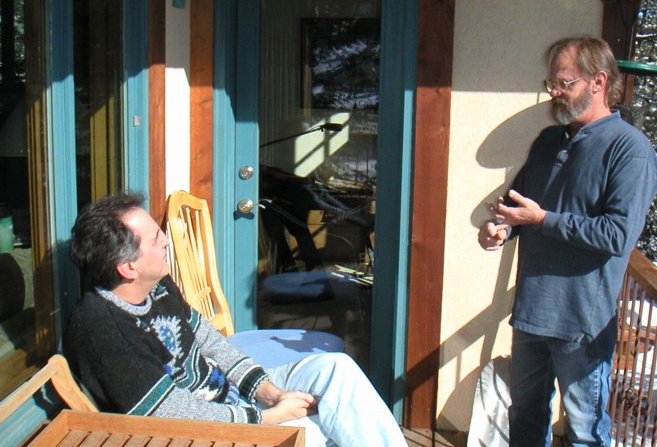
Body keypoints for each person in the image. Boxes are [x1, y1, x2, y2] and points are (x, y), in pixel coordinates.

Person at [63, 191, 407, 447]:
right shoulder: (103, 330)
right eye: (156, 239)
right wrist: (266, 417)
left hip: (229, 398)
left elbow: (209, 341)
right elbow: (170, 414)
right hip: (203, 432)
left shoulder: (156, 286)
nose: (166, 240)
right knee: (322, 429)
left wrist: (267, 391)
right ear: (128, 268)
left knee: (336, 369)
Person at [478, 36, 657, 447]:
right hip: (532, 313)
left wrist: (541, 219)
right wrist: (502, 229)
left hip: (582, 323)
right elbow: (518, 207)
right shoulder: (548, 140)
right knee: (524, 418)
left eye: (565, 83)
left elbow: (617, 235)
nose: (555, 93)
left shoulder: (630, 150)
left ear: (599, 81)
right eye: (551, 84)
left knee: (585, 432)